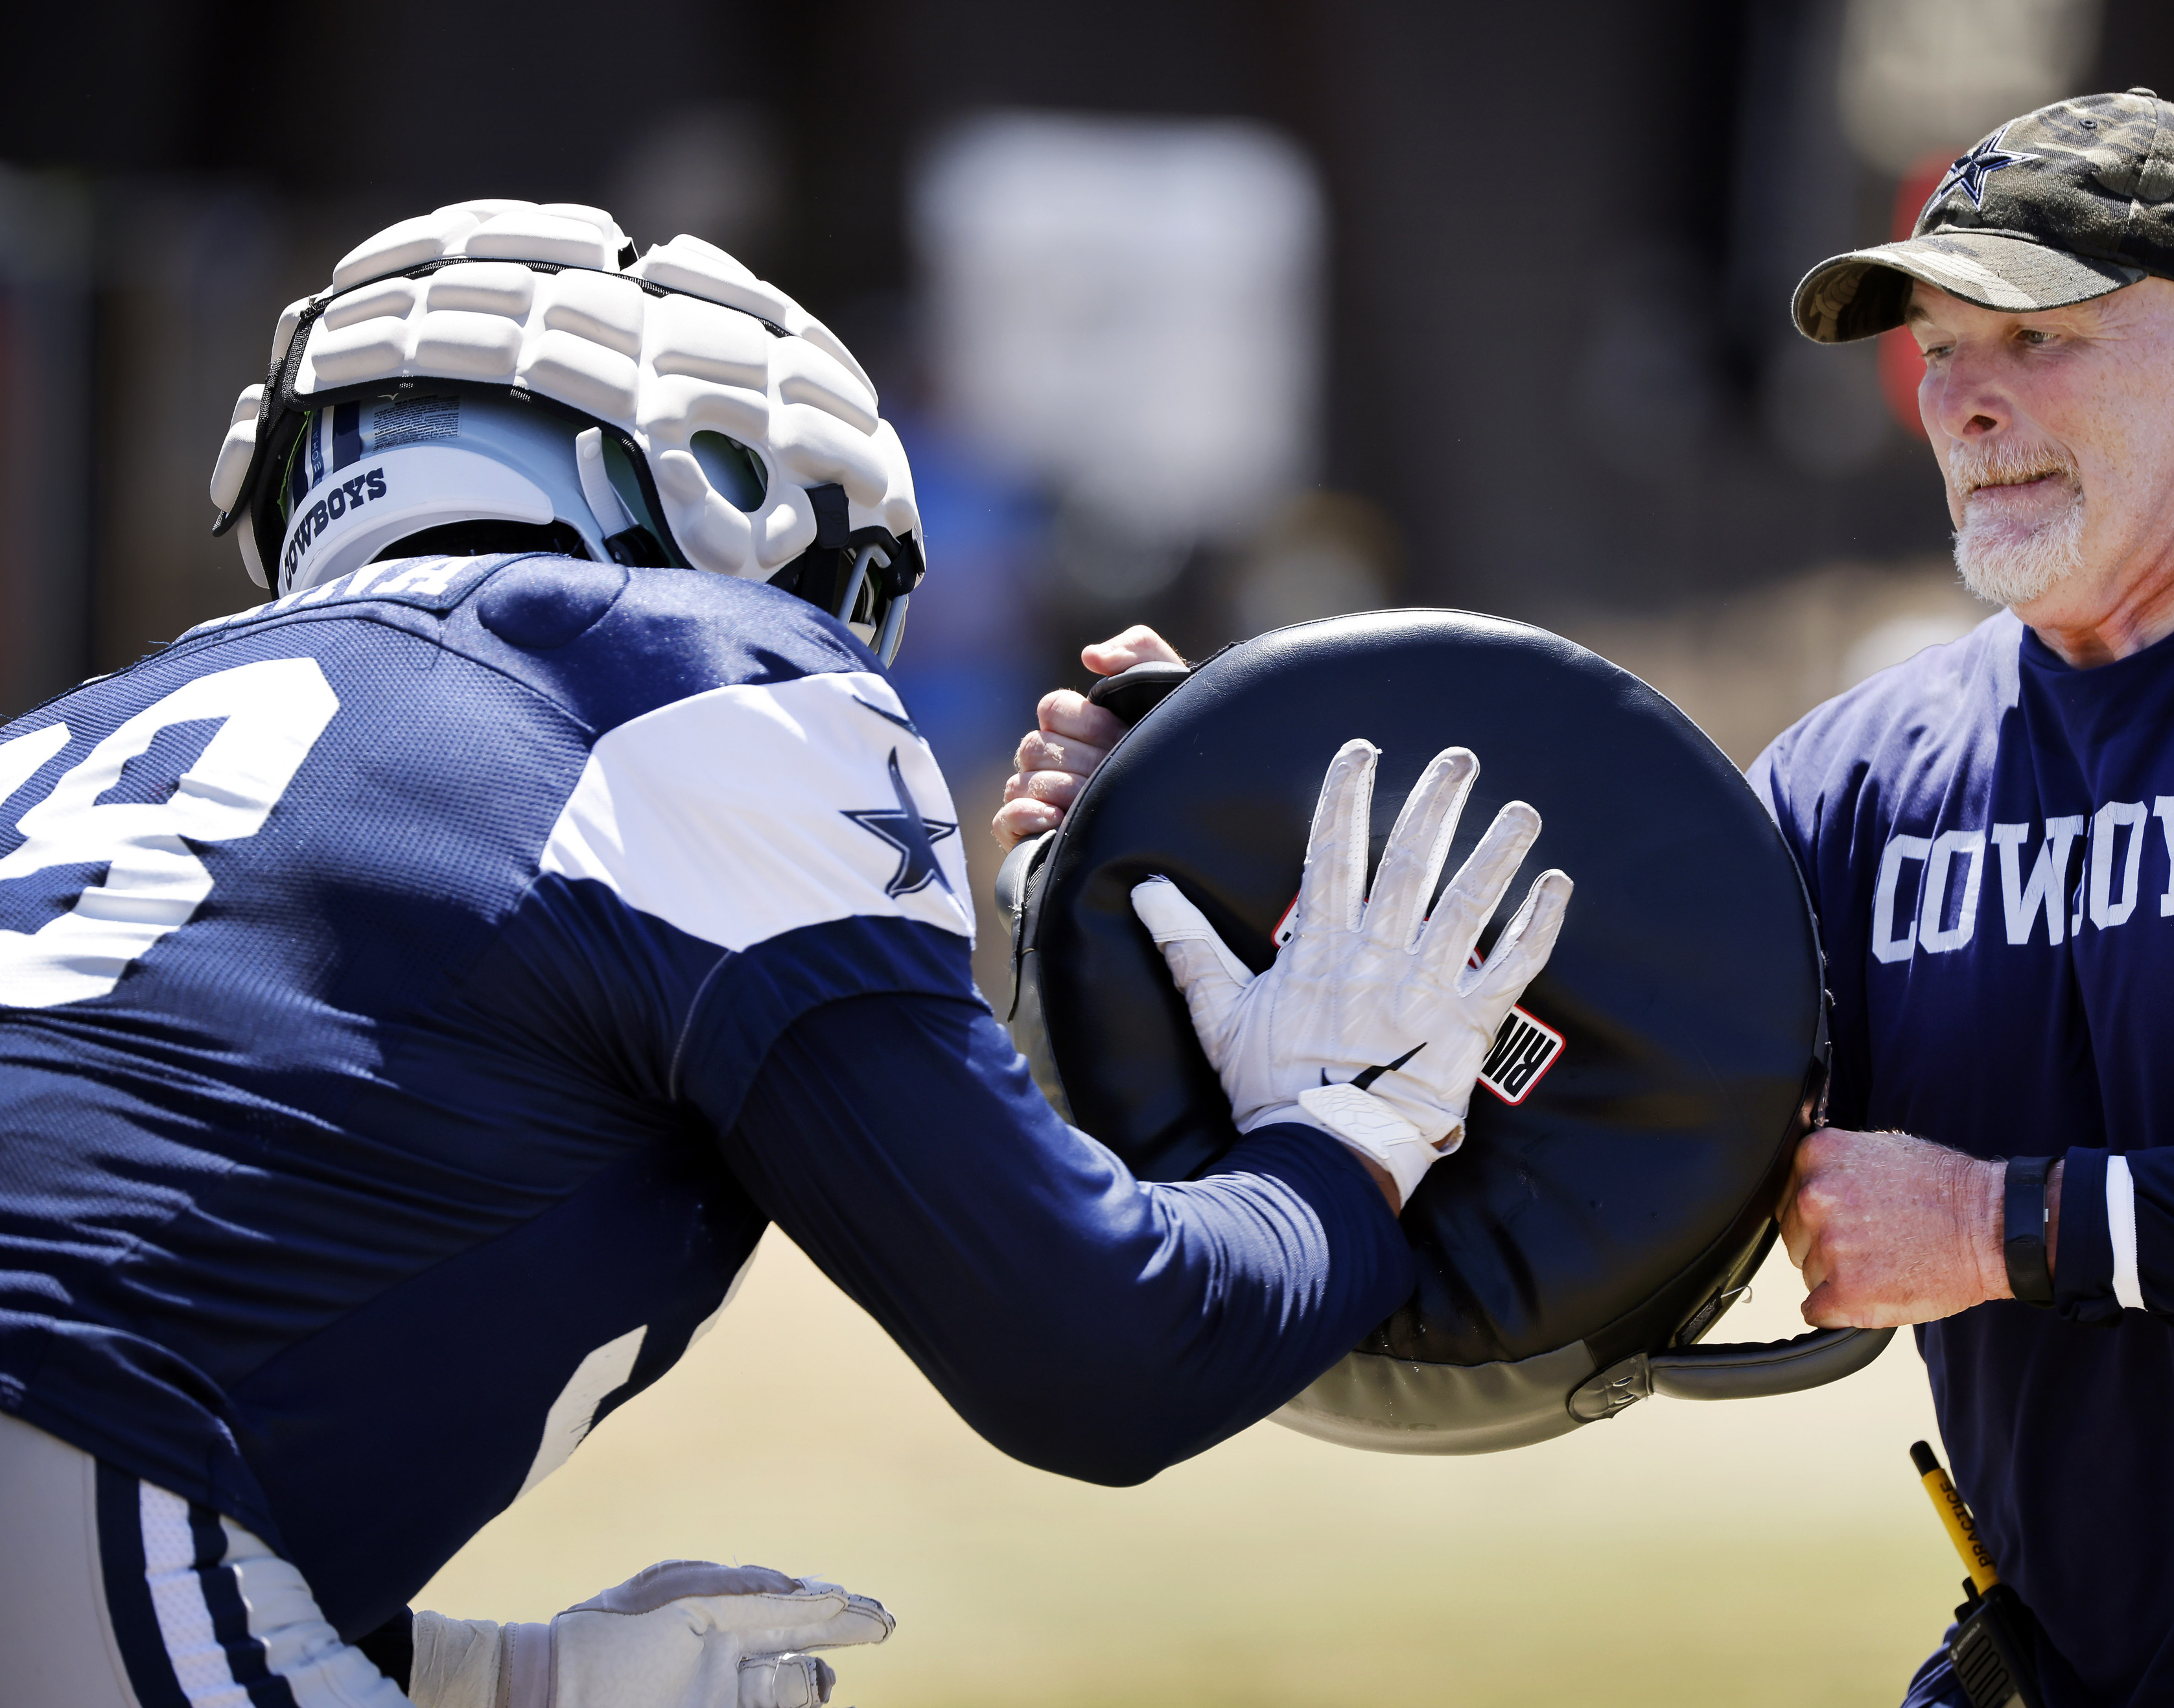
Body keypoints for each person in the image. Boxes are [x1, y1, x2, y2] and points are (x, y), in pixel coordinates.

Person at [998, 92, 2174, 1705]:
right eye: (1937, 352)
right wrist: (1196, 811)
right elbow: (1569, 1076)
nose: (1964, 404)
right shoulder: (1860, 777)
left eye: (2039, 338)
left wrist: (2002, 1227)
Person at [0, 198, 1567, 1708]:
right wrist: (1347, 1131)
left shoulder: (60, 740)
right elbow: (1097, 1351)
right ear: (733, 495)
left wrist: (483, 1673)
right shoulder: (677, 673)